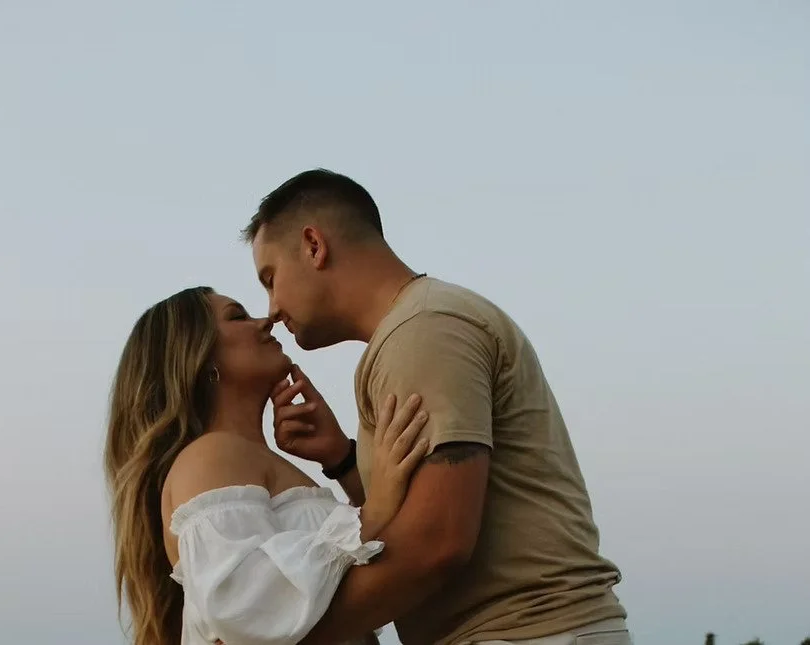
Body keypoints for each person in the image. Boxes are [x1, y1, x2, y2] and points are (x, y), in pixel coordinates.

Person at [242, 169, 632, 645]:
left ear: (313, 245)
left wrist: (287, 638)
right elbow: (420, 517)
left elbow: (437, 543)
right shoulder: (414, 329)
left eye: (270, 278)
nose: (272, 309)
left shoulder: (423, 330)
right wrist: (343, 460)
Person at [103, 287, 431, 645]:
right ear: (198, 355)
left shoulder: (244, 459)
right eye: (237, 316)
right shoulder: (211, 455)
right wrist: (374, 511)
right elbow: (245, 605)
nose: (265, 323)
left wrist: (340, 459)